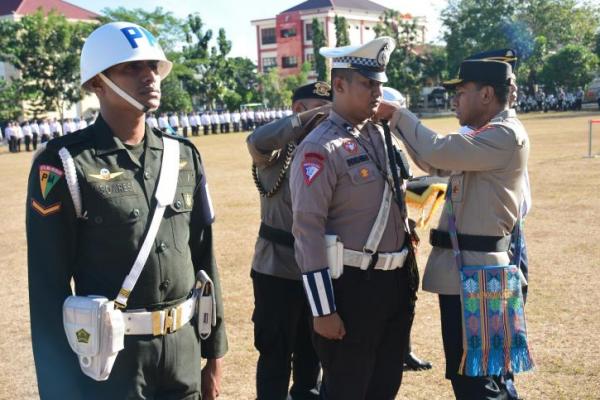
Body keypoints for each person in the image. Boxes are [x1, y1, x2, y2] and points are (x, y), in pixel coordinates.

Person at [26, 21, 227, 399]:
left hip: (183, 354)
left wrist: (213, 355)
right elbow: (48, 289)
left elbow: (205, 260)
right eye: (131, 67)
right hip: (110, 366)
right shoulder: (65, 163)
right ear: (97, 82)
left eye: (153, 66)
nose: (149, 76)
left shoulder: (183, 155)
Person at [378, 58, 531, 400]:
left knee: (476, 380)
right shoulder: (484, 136)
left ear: (487, 95)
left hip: (478, 273)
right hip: (468, 272)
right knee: (471, 375)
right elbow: (434, 163)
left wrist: (397, 115)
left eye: (462, 92)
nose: (455, 100)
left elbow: (437, 151)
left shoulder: (504, 135)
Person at [290, 37, 417, 399]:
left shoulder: (380, 135)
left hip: (393, 285)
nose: (378, 91)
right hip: (351, 289)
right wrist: (323, 309)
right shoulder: (319, 147)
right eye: (368, 83)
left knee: (384, 386)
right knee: (348, 389)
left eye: (379, 82)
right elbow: (307, 231)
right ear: (340, 85)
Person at [247, 82, 332, 400]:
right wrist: (304, 122)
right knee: (274, 354)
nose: (327, 118)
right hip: (276, 269)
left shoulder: (330, 150)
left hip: (318, 269)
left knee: (313, 354)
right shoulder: (274, 152)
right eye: (319, 110)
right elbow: (256, 141)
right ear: (298, 110)